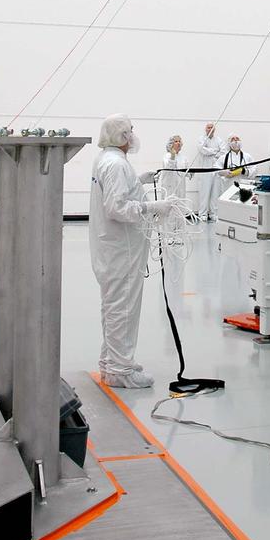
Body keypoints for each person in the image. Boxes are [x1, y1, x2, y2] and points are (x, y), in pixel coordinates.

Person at [89, 114, 176, 389]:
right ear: (122, 135)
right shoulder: (116, 164)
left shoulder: (107, 159)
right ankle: (120, 371)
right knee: (123, 309)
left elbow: (116, 192)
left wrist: (138, 181)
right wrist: (152, 207)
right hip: (121, 250)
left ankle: (111, 363)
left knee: (114, 307)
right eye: (130, 131)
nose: (133, 135)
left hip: (113, 249)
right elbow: (116, 208)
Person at [195, 122, 224, 222]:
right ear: (205, 129)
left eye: (212, 127)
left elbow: (223, 152)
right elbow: (202, 150)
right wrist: (215, 151)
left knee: (215, 192)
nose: (210, 129)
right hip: (205, 169)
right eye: (208, 127)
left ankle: (213, 213)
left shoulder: (219, 140)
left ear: (214, 129)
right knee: (204, 192)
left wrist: (210, 151)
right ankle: (202, 213)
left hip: (216, 169)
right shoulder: (201, 139)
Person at [159, 135, 187, 200]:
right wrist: (172, 157)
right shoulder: (167, 156)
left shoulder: (183, 158)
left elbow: (186, 171)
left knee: (180, 203)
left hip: (180, 186)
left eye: (179, 141)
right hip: (170, 186)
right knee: (169, 202)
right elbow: (168, 168)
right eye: (176, 141)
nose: (178, 143)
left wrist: (191, 173)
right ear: (171, 144)